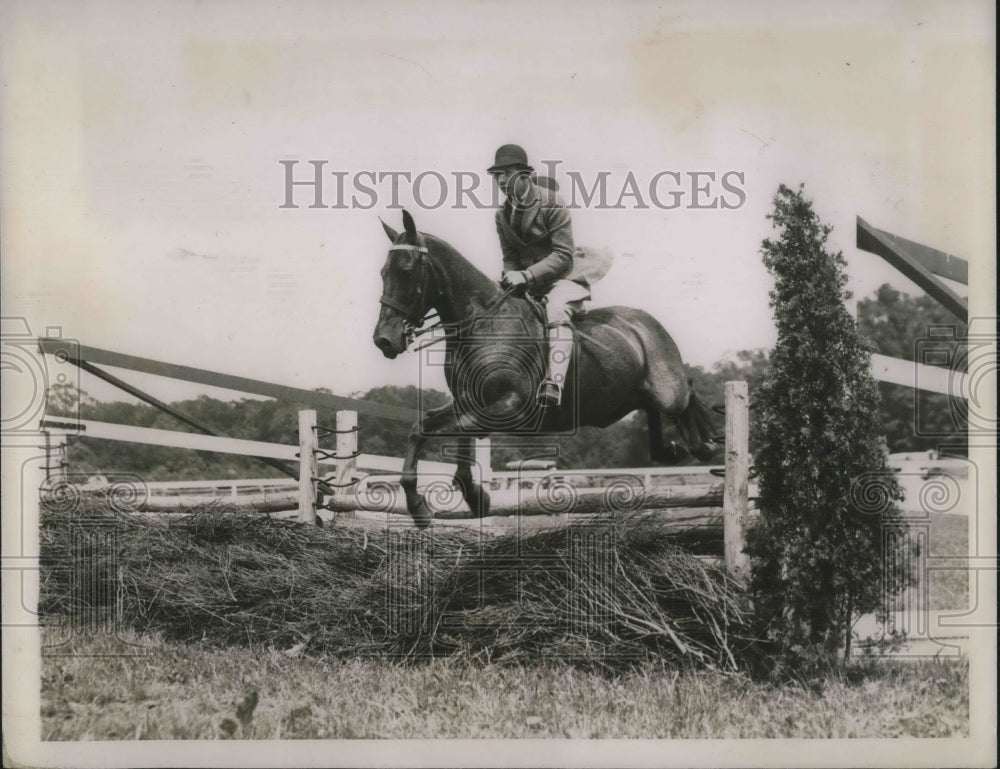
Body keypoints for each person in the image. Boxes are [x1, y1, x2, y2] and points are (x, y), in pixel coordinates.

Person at [488, 144, 591, 409]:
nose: (500, 180)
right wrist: (511, 277)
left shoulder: (552, 202)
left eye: (506, 173)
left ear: (523, 174)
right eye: (496, 175)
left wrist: (527, 274)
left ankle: (553, 383)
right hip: (529, 283)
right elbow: (510, 256)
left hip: (563, 279)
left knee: (556, 309)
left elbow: (563, 255)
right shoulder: (501, 215)